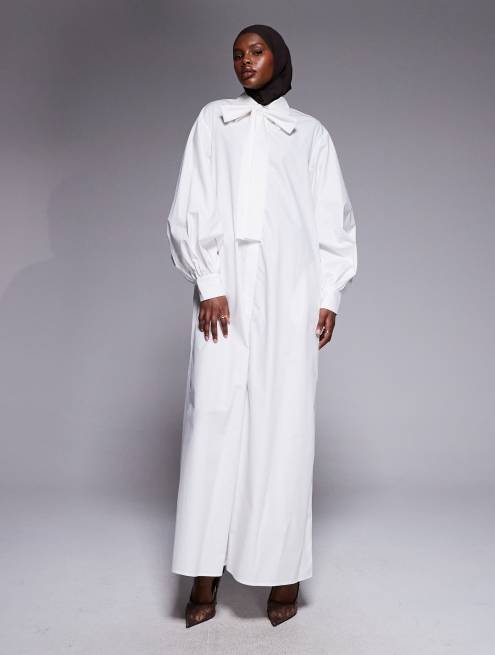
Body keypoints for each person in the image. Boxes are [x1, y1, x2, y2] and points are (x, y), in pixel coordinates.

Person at [166, 24, 357, 628]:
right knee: (212, 420)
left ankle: (282, 573)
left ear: (279, 58)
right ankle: (203, 573)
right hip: (224, 291)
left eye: (256, 52)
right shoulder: (214, 121)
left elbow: (332, 219)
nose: (245, 62)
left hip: (289, 294)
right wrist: (210, 281)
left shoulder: (310, 134)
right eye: (237, 55)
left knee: (284, 424)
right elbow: (191, 202)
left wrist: (328, 294)